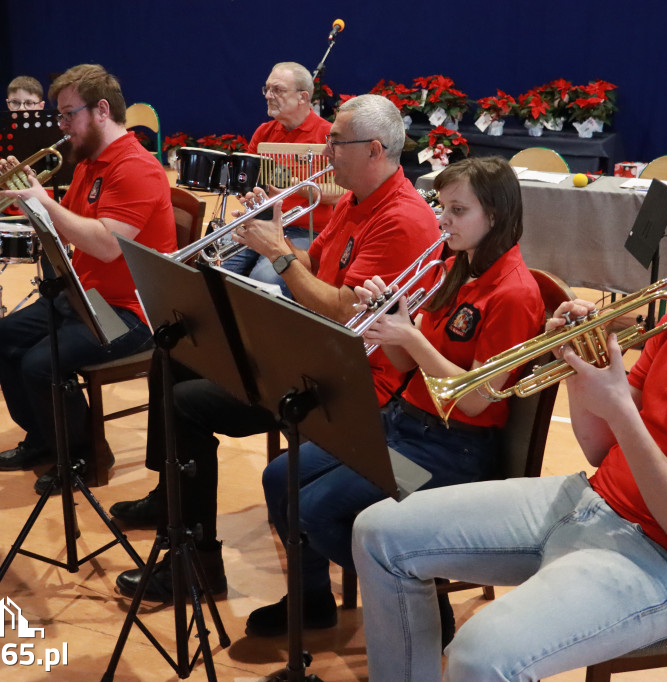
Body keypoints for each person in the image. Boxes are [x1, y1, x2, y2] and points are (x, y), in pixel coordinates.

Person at [350, 159, 667, 681]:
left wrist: (622, 410)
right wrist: (578, 364)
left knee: (480, 653)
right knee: (378, 533)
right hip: (593, 500)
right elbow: (601, 450)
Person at [110, 94, 442, 600]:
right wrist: (275, 235)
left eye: (336, 142)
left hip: (352, 385)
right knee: (175, 353)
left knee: (185, 405)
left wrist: (279, 255)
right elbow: (316, 268)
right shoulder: (355, 199)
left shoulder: (401, 219)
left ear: (375, 150)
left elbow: (342, 311)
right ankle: (172, 501)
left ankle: (197, 564)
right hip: (315, 355)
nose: (325, 151)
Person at [246, 156, 546, 638]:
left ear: (495, 216)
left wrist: (411, 336)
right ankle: (312, 599)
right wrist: (389, 321)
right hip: (404, 423)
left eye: (458, 210)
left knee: (316, 509)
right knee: (279, 477)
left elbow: (475, 401)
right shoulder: (454, 266)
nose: (443, 220)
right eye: (443, 207)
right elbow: (405, 365)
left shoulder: (514, 293)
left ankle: (419, 599)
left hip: (452, 448)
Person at [0, 64, 176, 495]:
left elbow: (107, 246)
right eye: (61, 115)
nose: (62, 125)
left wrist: (43, 202)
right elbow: (65, 230)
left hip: (130, 312)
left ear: (101, 110)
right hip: (87, 296)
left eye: (68, 114)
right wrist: (27, 196)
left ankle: (86, 457)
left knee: (40, 364)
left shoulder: (137, 167)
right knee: (2, 336)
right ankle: (44, 438)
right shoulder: (91, 163)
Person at [221, 61, 334, 295]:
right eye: (267, 89)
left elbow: (341, 194)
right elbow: (249, 182)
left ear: (303, 97)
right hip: (263, 223)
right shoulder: (264, 132)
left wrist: (294, 187)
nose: (268, 96)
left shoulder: (328, 136)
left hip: (307, 230)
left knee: (264, 281)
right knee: (218, 267)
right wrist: (247, 193)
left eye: (278, 90)